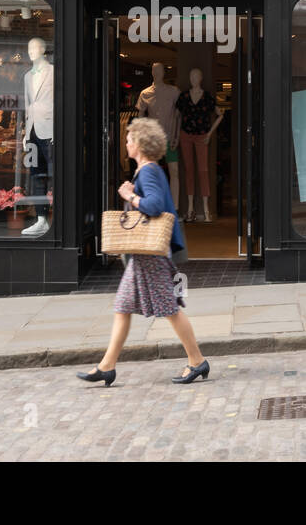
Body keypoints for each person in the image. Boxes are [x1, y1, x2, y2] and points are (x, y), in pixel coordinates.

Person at [77, 117, 210, 387]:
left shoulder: (148, 171)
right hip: (143, 256)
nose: (126, 144)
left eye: (129, 140)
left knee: (170, 310)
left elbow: (154, 206)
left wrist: (129, 196)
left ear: (139, 144)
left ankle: (197, 361)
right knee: (122, 307)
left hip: (151, 256)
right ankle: (107, 366)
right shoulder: (150, 170)